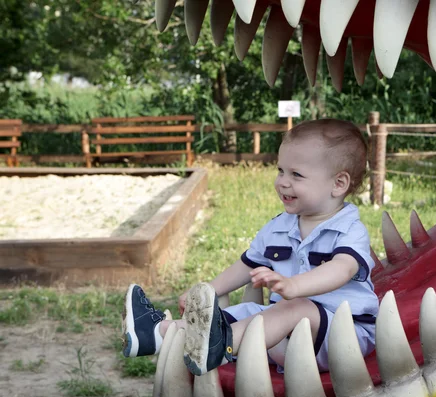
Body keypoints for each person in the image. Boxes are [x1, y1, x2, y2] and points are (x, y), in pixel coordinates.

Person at [121, 119, 379, 376]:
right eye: (280, 171)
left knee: (295, 307)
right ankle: (156, 334)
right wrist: (207, 290)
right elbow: (248, 265)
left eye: (296, 174)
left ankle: (222, 345)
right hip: (283, 335)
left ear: (338, 184)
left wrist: (294, 286)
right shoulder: (279, 227)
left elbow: (342, 269)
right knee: (241, 313)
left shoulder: (350, 229)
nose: (282, 182)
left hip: (341, 336)